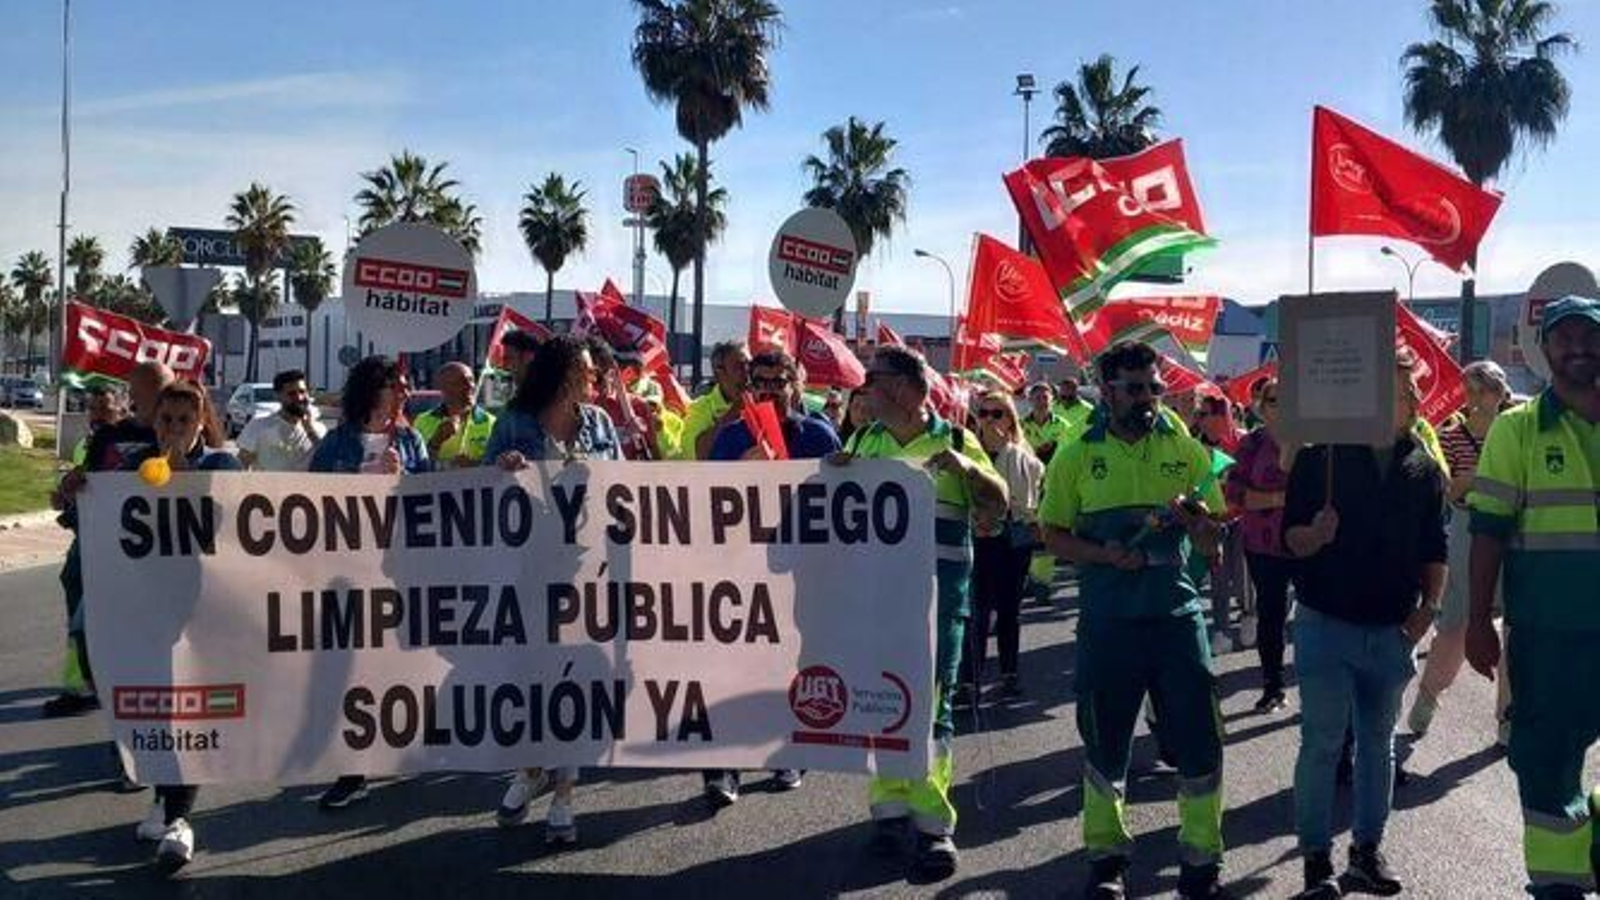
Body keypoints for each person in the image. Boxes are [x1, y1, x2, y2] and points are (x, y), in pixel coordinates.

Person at [1038, 340, 1230, 899]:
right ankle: (1106, 858)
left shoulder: (1187, 450)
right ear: (1107, 389)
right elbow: (1051, 533)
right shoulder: (1075, 453)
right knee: (1105, 742)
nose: (1148, 398)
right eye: (1135, 387)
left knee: (1199, 738)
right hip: (1108, 623)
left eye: (1154, 387)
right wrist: (1104, 554)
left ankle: (1201, 858)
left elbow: (1215, 542)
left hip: (1176, 618)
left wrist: (1200, 524)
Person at [833, 345, 1006, 878]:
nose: (865, 388)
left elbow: (998, 503)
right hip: (877, 599)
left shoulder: (956, 438)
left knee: (932, 705)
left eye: (875, 378)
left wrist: (970, 471)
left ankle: (933, 825)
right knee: (882, 697)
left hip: (940, 596)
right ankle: (888, 812)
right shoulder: (863, 440)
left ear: (906, 387)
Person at [1282, 353, 1447, 898]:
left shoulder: (1423, 466)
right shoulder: (1317, 458)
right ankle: (1315, 862)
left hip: (1391, 630)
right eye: (1399, 389)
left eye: (1410, 391)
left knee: (1378, 746)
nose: (1410, 400)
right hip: (1324, 624)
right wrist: (1316, 535)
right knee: (1323, 742)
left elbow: (1434, 547)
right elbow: (1290, 541)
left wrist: (1427, 611)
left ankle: (1366, 852)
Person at [1464, 295, 1600, 900]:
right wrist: (1476, 621)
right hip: (1551, 633)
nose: (1578, 347)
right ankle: (1559, 883)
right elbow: (1487, 532)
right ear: (1545, 350)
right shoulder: (1516, 431)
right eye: (1564, 337)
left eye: (1589, 336)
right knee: (1544, 761)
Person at [484, 334, 620, 845]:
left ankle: (564, 794)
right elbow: (476, 489)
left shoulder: (601, 425)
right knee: (531, 679)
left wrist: (602, 476)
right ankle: (531, 768)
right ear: (563, 374)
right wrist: (502, 472)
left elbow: (624, 489)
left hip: (587, 573)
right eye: (587, 371)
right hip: (528, 571)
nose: (595, 379)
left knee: (574, 683)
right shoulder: (515, 423)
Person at [698, 348, 838, 804]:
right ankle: (723, 766)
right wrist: (743, 469)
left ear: (797, 384)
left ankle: (786, 749)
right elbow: (702, 502)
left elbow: (844, 500)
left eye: (780, 381)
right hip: (739, 568)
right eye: (761, 381)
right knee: (733, 667)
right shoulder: (731, 436)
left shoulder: (819, 436)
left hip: (803, 570)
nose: (771, 390)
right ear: (749, 386)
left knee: (790, 664)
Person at [122, 380, 242, 873]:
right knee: (152, 703)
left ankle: (179, 819)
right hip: (147, 605)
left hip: (201, 607)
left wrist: (186, 479)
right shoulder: (137, 467)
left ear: (201, 424)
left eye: (183, 422)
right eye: (165, 421)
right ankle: (162, 799)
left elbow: (231, 524)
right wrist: (74, 493)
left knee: (185, 707)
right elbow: (99, 519)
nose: (172, 430)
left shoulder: (221, 464)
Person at [310, 356, 431, 811]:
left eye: (406, 384)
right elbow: (309, 503)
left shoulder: (413, 442)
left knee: (397, 667)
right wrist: (365, 480)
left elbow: (434, 505)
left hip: (399, 572)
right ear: (371, 390)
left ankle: (403, 743)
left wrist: (405, 482)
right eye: (396, 385)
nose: (404, 392)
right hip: (347, 573)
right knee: (351, 671)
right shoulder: (336, 445)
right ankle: (353, 768)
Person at [45, 361, 174, 719]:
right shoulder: (109, 436)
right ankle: (78, 682)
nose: (140, 398)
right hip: (97, 540)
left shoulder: (172, 438)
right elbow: (86, 477)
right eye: (140, 390)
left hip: (149, 548)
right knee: (75, 595)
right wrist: (69, 488)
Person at [1408, 361, 1514, 740]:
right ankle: (1429, 694)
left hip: (1514, 533)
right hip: (1467, 531)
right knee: (1457, 624)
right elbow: (1447, 493)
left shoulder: (1517, 433)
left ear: (1500, 391)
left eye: (1482, 389)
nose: (1475, 399)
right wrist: (1471, 480)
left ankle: (1507, 715)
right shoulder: (1451, 437)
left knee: (1513, 631)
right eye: (1469, 390)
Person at [959, 389, 1044, 701]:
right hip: (978, 539)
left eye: (998, 413)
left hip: (1010, 541)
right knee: (977, 611)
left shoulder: (1021, 456)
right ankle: (969, 679)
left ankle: (1009, 672)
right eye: (983, 413)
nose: (989, 420)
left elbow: (1024, 503)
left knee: (1008, 609)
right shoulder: (968, 450)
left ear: (1010, 419)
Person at [1223, 378, 1294, 712]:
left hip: (1310, 545)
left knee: (1314, 618)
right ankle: (1273, 686)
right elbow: (1235, 494)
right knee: (1272, 614)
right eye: (1274, 401)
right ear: (1262, 408)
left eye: (1287, 399)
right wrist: (1281, 497)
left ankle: (1320, 687)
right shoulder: (1252, 444)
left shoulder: (1312, 442)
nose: (1281, 406)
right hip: (1263, 544)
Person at [237, 368, 326, 471]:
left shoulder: (319, 430)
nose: (299, 397)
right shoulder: (259, 425)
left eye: (302, 391)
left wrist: (310, 430)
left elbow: (329, 461)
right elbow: (242, 464)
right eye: (292, 394)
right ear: (278, 396)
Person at [412, 361, 495, 468]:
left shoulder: (492, 423)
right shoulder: (422, 421)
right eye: (461, 382)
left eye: (471, 380)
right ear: (443, 387)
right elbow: (416, 466)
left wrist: (476, 465)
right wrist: (436, 441)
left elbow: (498, 467)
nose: (470, 386)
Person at [587, 340, 660, 460]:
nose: (591, 385)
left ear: (611, 373)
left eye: (598, 378)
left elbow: (654, 457)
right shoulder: (572, 410)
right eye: (585, 378)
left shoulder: (638, 406)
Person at [678, 340, 749, 460]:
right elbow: (696, 454)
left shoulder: (762, 400)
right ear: (719, 371)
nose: (747, 371)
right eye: (740, 366)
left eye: (749, 365)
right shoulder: (700, 408)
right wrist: (732, 414)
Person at [68, 382, 126, 466]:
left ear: (121, 412)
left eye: (104, 409)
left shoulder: (134, 445)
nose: (97, 415)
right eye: (92, 409)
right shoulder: (83, 446)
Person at [1021, 381, 1074, 463]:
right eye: (1038, 398)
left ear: (1052, 400)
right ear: (1030, 400)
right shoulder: (1021, 425)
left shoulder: (1063, 425)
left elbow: (1070, 452)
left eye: (1045, 397)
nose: (1042, 402)